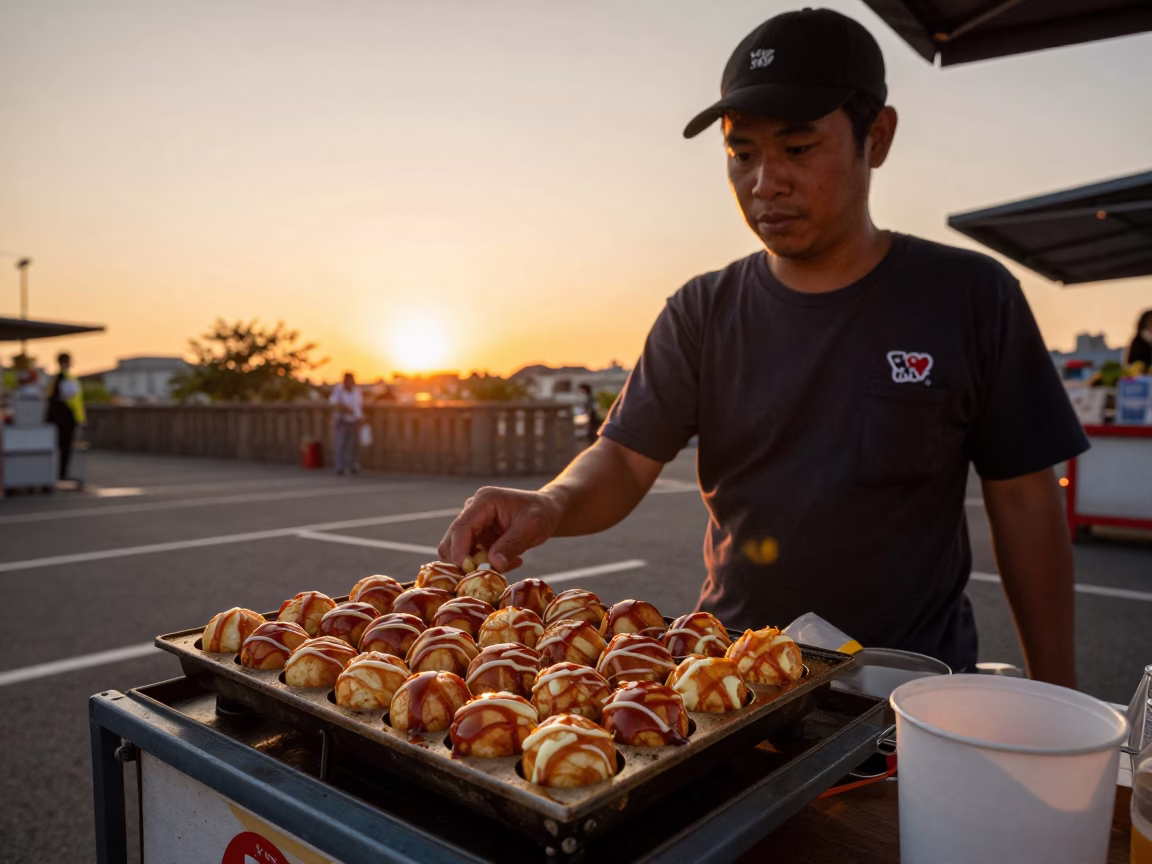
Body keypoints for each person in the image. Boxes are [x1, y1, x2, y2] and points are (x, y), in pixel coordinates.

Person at [438, 9, 1088, 685]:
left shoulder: (970, 295)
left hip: (909, 686)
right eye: (742, 153)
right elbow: (625, 459)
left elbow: (1025, 501)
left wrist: (1057, 694)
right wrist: (551, 503)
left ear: (877, 136)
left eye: (798, 149)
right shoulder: (701, 310)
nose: (764, 182)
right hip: (731, 680)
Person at [46, 352, 85, 481]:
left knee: (60, 447)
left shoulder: (56, 379)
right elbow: (71, 398)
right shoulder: (66, 378)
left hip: (60, 417)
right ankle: (61, 474)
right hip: (67, 417)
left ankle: (58, 473)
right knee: (65, 447)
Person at [329, 372, 363, 475]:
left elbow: (358, 406)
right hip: (342, 420)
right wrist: (345, 409)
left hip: (354, 420)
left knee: (353, 444)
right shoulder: (339, 390)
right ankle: (339, 467)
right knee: (340, 444)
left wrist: (359, 417)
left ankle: (352, 464)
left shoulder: (356, 391)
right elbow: (333, 402)